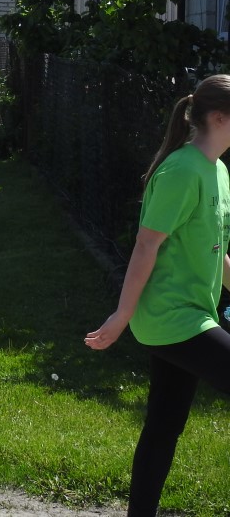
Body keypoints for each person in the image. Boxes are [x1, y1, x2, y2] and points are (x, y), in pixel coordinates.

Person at [85, 75, 230, 517]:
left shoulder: (218, 170)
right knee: (165, 424)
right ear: (219, 117)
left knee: (165, 425)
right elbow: (146, 245)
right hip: (172, 317)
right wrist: (121, 316)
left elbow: (217, 248)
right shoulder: (182, 171)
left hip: (192, 313)